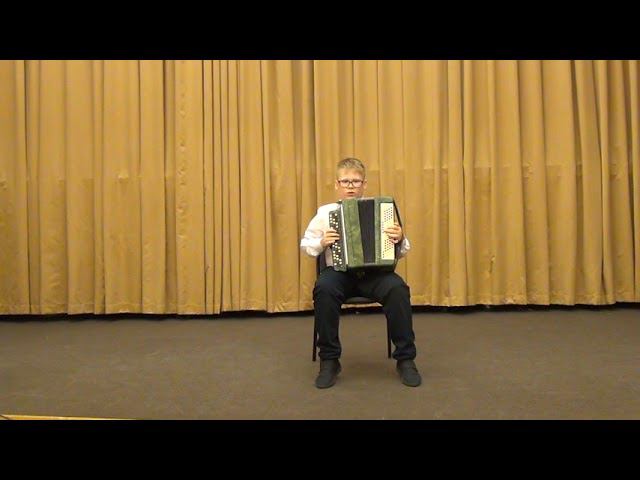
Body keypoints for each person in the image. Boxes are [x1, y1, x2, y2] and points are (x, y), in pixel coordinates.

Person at [300, 158, 421, 388]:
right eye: (345, 181)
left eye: (355, 181)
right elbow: (306, 245)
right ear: (337, 184)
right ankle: (329, 361)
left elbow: (403, 250)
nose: (350, 186)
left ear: (364, 184)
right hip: (339, 273)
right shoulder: (325, 213)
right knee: (324, 288)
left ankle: (406, 359)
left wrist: (400, 238)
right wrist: (321, 242)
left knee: (397, 288)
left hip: (374, 275)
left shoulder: (382, 210)